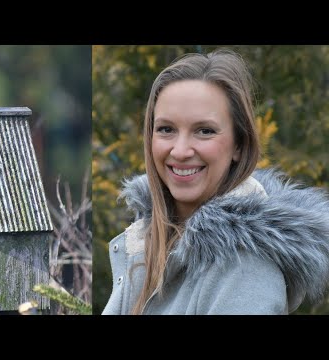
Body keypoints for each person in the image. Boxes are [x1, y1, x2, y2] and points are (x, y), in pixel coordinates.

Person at [102, 49, 329, 315]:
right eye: (166, 129)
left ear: (239, 146)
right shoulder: (148, 240)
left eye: (204, 131)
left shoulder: (244, 266)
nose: (180, 150)